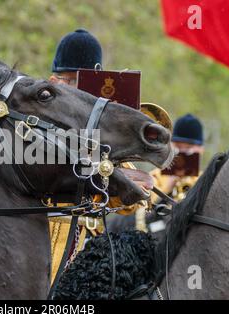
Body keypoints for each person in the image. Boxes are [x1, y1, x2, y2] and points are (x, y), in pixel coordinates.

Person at [48, 29, 153, 283]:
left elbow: (132, 204)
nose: (81, 93)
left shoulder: (100, 130)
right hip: (43, 240)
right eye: (73, 81)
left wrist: (128, 179)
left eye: (87, 84)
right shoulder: (39, 119)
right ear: (54, 81)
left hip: (90, 247)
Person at [152, 113, 204, 202]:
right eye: (178, 146)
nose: (182, 152)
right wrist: (167, 188)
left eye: (189, 148)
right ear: (170, 146)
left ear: (201, 150)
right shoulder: (154, 178)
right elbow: (143, 210)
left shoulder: (205, 180)